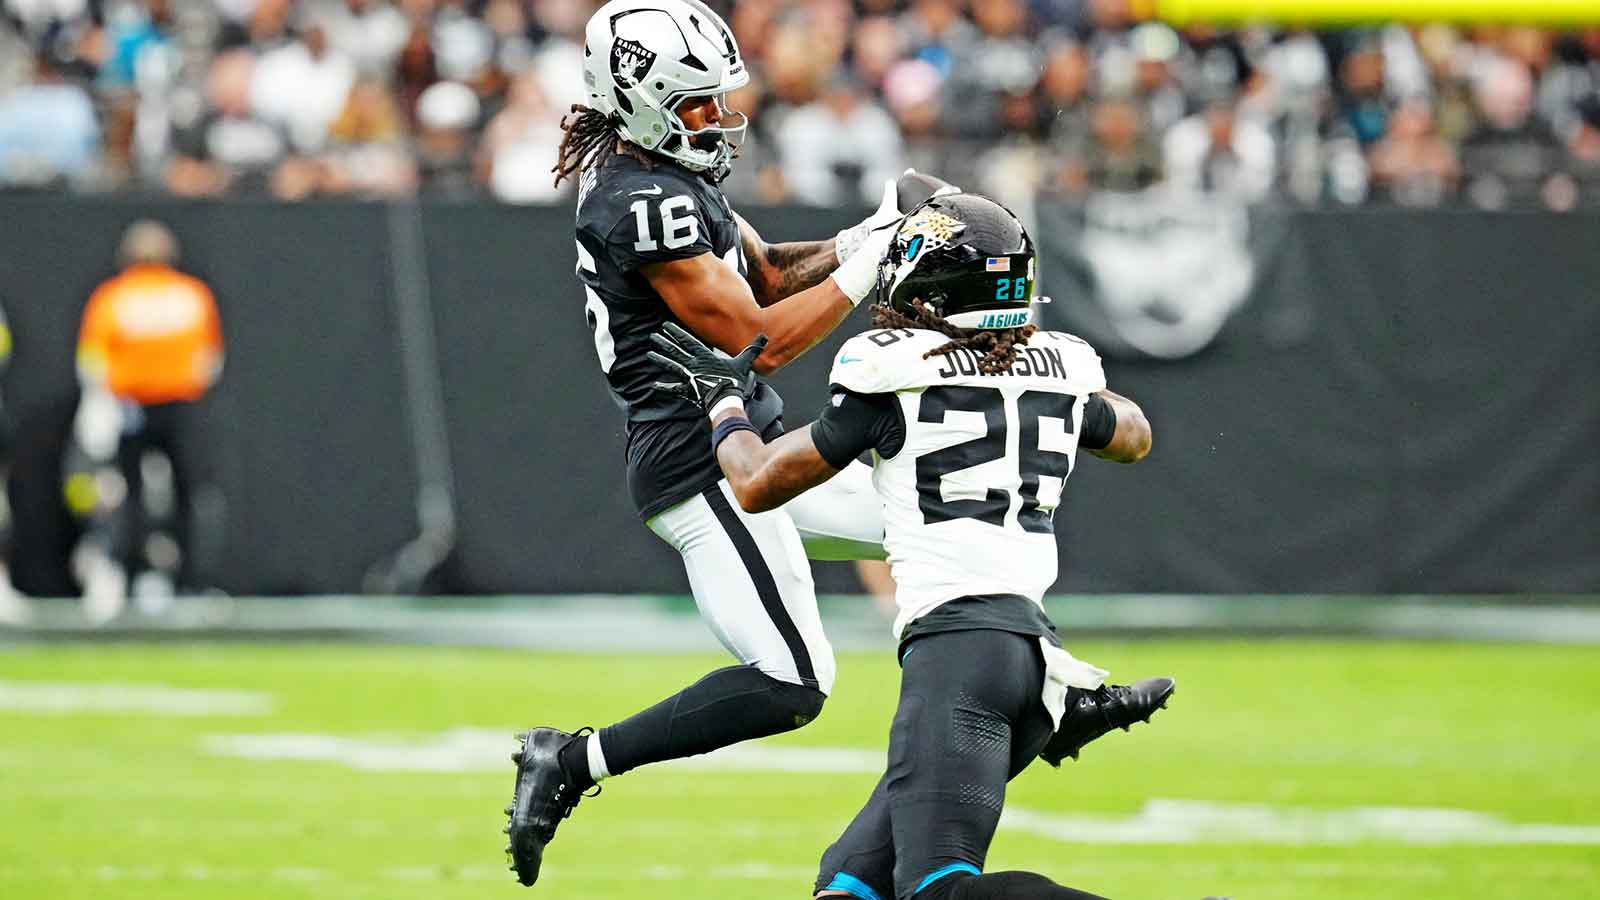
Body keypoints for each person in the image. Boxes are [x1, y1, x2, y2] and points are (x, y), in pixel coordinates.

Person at [647, 192, 1175, 900]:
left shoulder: (892, 373)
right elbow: (1134, 435)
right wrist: (1028, 373)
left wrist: (722, 401)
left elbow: (758, 483)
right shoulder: (1065, 368)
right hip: (1025, 657)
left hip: (959, 659)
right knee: (847, 888)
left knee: (939, 890)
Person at [503, 0, 909, 886]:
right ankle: (570, 763)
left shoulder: (656, 166)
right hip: (702, 464)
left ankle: (1017, 693)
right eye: (696, 104)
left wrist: (867, 234)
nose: (719, 118)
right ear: (642, 102)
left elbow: (764, 271)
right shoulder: (632, 201)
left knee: (934, 518)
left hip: (748, 435)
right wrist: (878, 260)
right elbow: (760, 330)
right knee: (792, 679)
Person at [70, 220, 223, 624]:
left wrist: (105, 400)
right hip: (180, 403)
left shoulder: (114, 296)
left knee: (131, 497)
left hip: (132, 405)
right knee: (190, 495)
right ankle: (188, 583)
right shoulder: (192, 294)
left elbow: (92, 360)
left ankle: (131, 577)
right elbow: (210, 361)